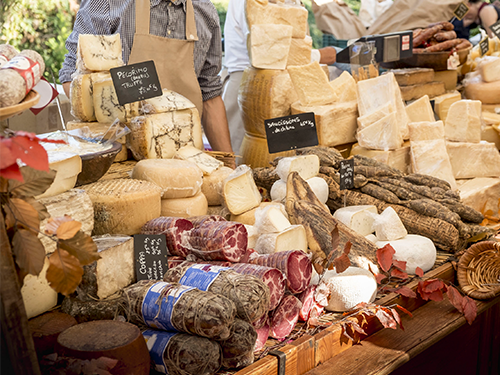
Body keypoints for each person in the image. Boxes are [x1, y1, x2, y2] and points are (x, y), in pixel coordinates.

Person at [59, 0, 233, 154]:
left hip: (185, 159)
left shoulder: (205, 11)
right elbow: (72, 76)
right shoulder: (108, 3)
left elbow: (210, 95)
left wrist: (230, 165)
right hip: (119, 157)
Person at [222, 0, 337, 153]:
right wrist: (319, 55)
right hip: (254, 88)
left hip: (285, 85)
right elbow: (268, 47)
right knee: (247, 159)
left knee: (282, 164)